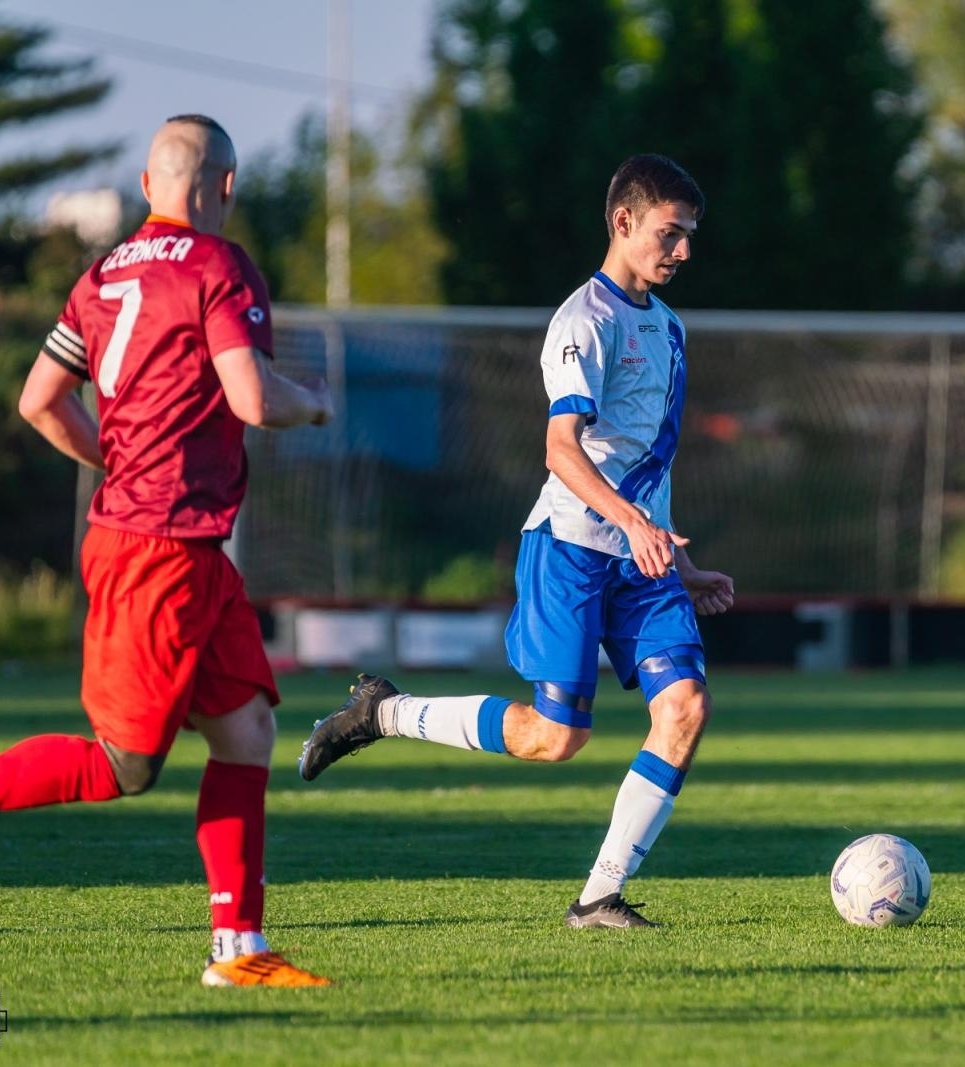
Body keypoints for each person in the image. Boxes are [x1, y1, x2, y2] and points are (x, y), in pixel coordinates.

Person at [0, 115, 334, 986]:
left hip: (182, 545)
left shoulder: (99, 276)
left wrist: (117, 456)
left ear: (146, 186)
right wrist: (315, 401)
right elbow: (252, 398)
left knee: (246, 729)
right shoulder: (219, 263)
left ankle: (237, 949)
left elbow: (38, 400)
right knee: (121, 765)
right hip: (157, 549)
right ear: (226, 187)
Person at [299, 154, 733, 929]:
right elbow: (561, 449)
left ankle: (600, 894)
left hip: (643, 558)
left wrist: (680, 559)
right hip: (569, 547)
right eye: (671, 234)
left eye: (691, 236)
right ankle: (384, 712)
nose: (684, 252)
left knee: (686, 705)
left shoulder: (669, 328)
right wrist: (633, 525)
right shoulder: (582, 322)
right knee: (555, 737)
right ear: (623, 222)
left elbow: (646, 455)